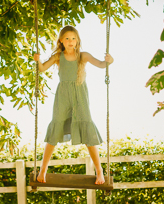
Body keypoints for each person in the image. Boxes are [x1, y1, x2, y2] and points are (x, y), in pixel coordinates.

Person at [33, 26, 114, 185]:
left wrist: (109, 61)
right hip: (63, 96)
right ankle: (43, 170)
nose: (71, 41)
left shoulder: (83, 56)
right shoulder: (58, 56)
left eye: (73, 38)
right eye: (67, 38)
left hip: (79, 95)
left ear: (77, 41)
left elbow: (101, 64)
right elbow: (42, 69)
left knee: (86, 127)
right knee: (56, 127)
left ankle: (99, 171)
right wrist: (37, 60)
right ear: (61, 41)